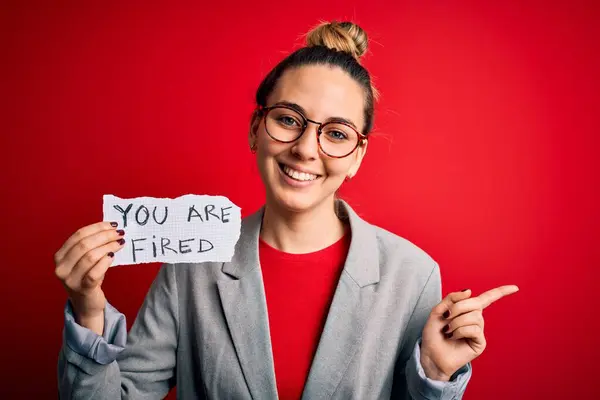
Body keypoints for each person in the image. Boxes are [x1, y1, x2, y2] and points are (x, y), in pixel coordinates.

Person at [55, 20, 518, 399]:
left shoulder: (413, 276)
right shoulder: (189, 266)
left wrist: (435, 375)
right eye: (288, 120)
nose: (305, 149)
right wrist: (90, 312)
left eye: (336, 133)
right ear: (257, 127)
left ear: (358, 155)